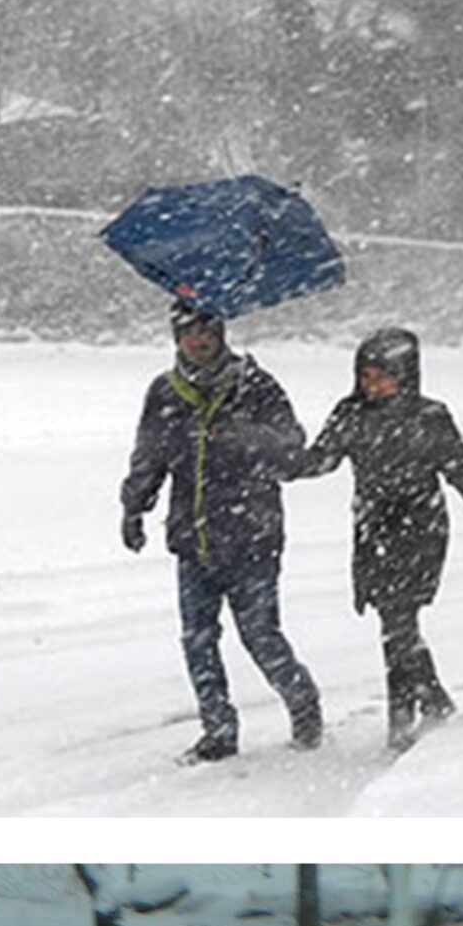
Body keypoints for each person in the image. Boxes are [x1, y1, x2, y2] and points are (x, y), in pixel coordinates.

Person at [121, 299, 325, 762]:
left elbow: (293, 456)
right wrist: (134, 506)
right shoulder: (165, 392)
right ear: (176, 338)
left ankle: (303, 705)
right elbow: (149, 456)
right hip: (194, 539)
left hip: (253, 537)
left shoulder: (256, 386)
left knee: (260, 636)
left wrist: (244, 434)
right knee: (198, 639)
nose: (197, 340)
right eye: (187, 332)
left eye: (205, 330)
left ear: (222, 334)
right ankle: (218, 731)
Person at [297, 326, 463, 751]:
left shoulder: (429, 417)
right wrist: (274, 458)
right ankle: (434, 700)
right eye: (366, 376)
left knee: (398, 621)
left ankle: (401, 723)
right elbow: (321, 460)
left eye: (384, 376)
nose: (373, 386)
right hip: (373, 529)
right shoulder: (350, 413)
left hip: (421, 529)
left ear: (407, 375)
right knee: (396, 624)